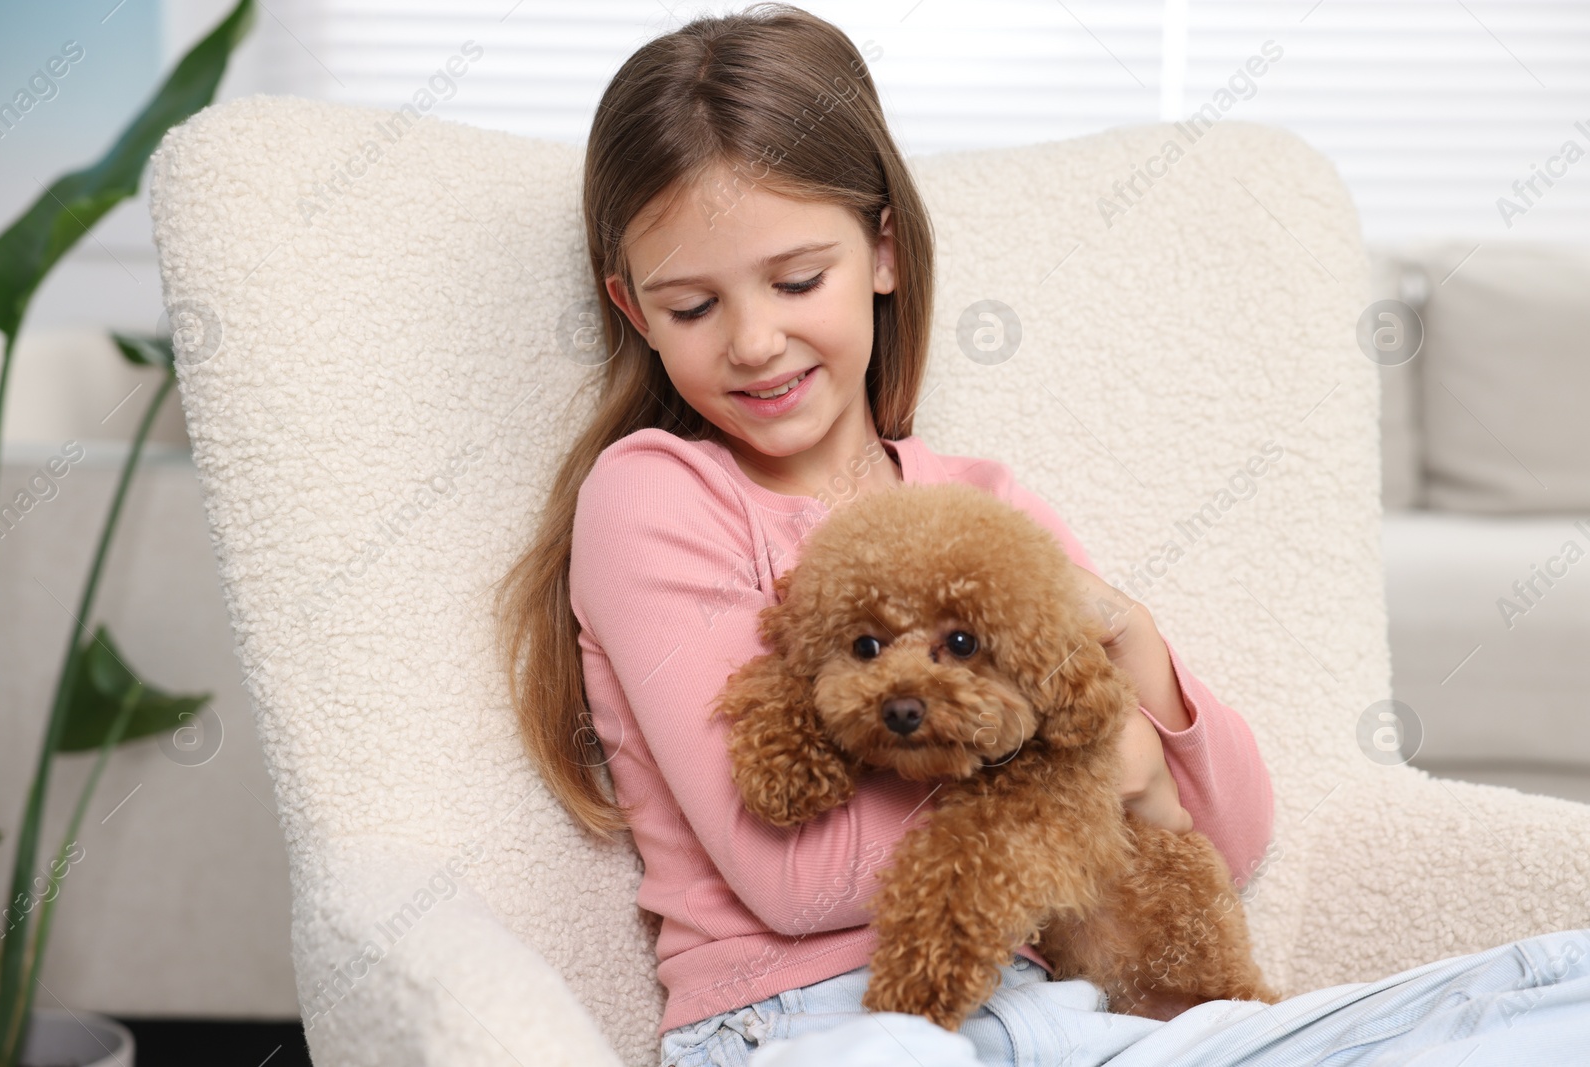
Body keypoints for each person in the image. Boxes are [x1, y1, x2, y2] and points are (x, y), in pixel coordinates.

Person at [494, 6, 1590, 1065]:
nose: (755, 340)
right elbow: (792, 876)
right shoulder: (655, 494)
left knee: (1558, 989)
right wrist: (1077, 783)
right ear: (632, 310)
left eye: (796, 280)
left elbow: (1229, 837)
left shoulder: (981, 500)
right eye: (693, 308)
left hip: (1066, 1010)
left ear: (882, 251)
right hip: (815, 1022)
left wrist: (1139, 667)